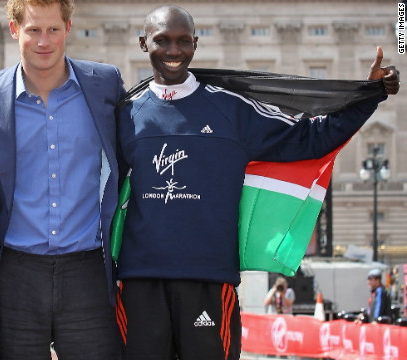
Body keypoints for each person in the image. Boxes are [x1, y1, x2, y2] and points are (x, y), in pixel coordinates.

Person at [115, 5, 400, 360]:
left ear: (195, 44)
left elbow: (310, 137)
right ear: (144, 44)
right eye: (162, 40)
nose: (173, 51)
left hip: (209, 280)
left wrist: (369, 95)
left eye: (183, 41)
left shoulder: (231, 110)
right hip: (140, 283)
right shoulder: (125, 113)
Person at [0, 0, 125, 358]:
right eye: (34, 30)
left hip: (87, 269)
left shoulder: (105, 84)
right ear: (13, 30)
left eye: (53, 29)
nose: (44, 41)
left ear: (68, 28)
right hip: (15, 272)